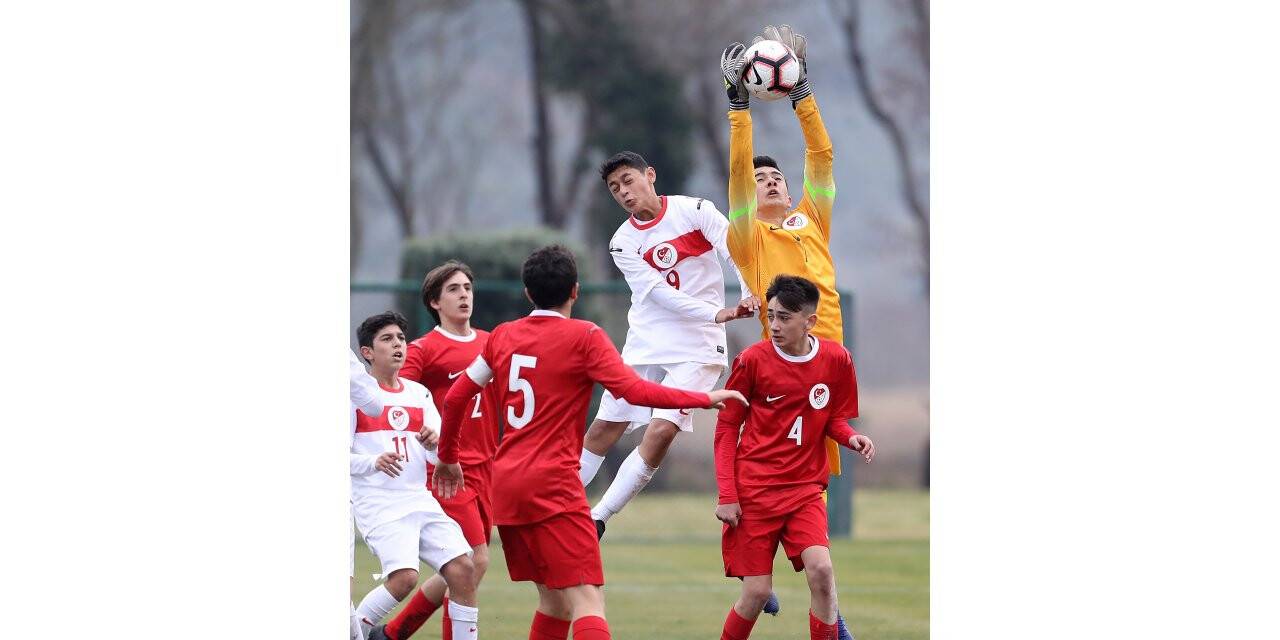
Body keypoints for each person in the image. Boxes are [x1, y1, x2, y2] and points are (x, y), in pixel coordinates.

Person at [432, 245, 748, 640]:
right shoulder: (584, 336)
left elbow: (459, 395)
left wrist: (447, 457)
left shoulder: (501, 337)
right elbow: (634, 390)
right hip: (553, 484)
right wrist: (703, 397)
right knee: (588, 601)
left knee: (555, 603)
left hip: (507, 485)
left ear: (529, 293)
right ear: (576, 291)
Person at [579, 150, 759, 539]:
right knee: (602, 429)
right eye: (614, 189)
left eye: (628, 181)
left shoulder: (694, 210)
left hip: (697, 348)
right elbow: (658, 293)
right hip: (647, 343)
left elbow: (734, 248)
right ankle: (557, 511)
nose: (624, 192)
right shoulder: (621, 242)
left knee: (660, 432)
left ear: (651, 175)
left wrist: (747, 294)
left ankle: (598, 518)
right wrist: (717, 313)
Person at [713, 276, 875, 640]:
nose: (774, 325)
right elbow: (726, 430)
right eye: (771, 316)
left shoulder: (836, 360)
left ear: (810, 322)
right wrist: (727, 495)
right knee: (755, 593)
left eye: (785, 317)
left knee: (822, 571)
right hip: (755, 492)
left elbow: (833, 417)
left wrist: (852, 438)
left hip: (803, 490)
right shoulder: (752, 361)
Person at [369, 262, 498, 640]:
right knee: (472, 563)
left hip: (486, 466)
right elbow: (395, 399)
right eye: (454, 290)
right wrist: (421, 429)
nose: (464, 295)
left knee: (463, 567)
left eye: (468, 288)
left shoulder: (492, 342)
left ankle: (391, 634)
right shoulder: (424, 349)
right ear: (435, 302)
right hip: (447, 468)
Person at [349, 311, 482, 640]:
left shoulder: (419, 393)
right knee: (405, 578)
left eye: (401, 339)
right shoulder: (353, 398)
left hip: (419, 498)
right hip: (377, 502)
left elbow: (439, 456)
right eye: (387, 339)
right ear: (367, 352)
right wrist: (373, 462)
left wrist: (435, 445)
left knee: (464, 569)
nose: (397, 345)